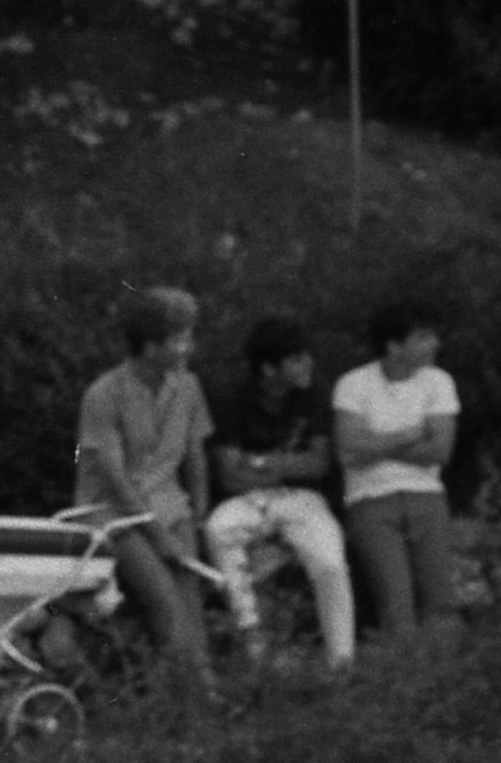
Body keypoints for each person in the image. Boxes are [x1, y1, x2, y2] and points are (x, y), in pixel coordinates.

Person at [69, 283, 222, 699]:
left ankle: (207, 697)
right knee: (164, 599)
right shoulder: (103, 394)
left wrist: (198, 516)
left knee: (192, 605)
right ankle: (187, 705)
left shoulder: (188, 387)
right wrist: (161, 538)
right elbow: (114, 477)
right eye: (179, 339)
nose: (188, 348)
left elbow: (195, 456)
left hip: (172, 506)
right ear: (150, 347)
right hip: (112, 513)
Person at [199, 314, 357, 668]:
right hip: (246, 499)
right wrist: (286, 464)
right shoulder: (231, 396)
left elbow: (318, 463)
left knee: (329, 561)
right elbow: (228, 476)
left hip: (302, 498)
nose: (308, 365)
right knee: (218, 529)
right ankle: (253, 642)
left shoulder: (314, 391)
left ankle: (342, 663)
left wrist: (257, 462)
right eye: (296, 359)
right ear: (268, 369)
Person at [329, 292, 465, 641]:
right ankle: (404, 685)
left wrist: (375, 445)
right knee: (394, 604)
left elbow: (440, 450)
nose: (434, 344)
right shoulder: (353, 385)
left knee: (441, 603)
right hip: (370, 501)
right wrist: (407, 436)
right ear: (393, 345)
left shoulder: (439, 382)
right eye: (422, 337)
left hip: (426, 496)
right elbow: (346, 451)